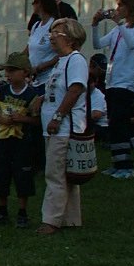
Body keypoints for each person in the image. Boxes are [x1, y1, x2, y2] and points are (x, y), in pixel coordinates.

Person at [91, 0, 134, 180]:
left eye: (120, 6)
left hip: (127, 82)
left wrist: (118, 23)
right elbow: (98, 44)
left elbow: (133, 44)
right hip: (112, 81)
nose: (116, 10)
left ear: (130, 7)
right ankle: (118, 163)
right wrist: (95, 24)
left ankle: (126, 166)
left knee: (121, 123)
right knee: (114, 125)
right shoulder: (119, 29)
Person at [39, 18, 89, 235]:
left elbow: (75, 90)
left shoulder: (75, 61)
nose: (51, 37)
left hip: (63, 128)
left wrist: (58, 117)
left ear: (70, 37)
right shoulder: (61, 61)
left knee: (55, 174)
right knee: (67, 176)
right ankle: (70, 218)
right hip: (55, 127)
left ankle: (51, 220)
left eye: (56, 33)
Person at [0, 52, 41, 228]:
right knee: (2, 174)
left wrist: (22, 119)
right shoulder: (1, 91)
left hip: (22, 141)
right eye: (7, 71)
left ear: (25, 73)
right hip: (2, 139)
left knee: (22, 175)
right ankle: (2, 211)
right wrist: (3, 120)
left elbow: (37, 119)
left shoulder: (32, 95)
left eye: (12, 71)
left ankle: (22, 213)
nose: (8, 75)